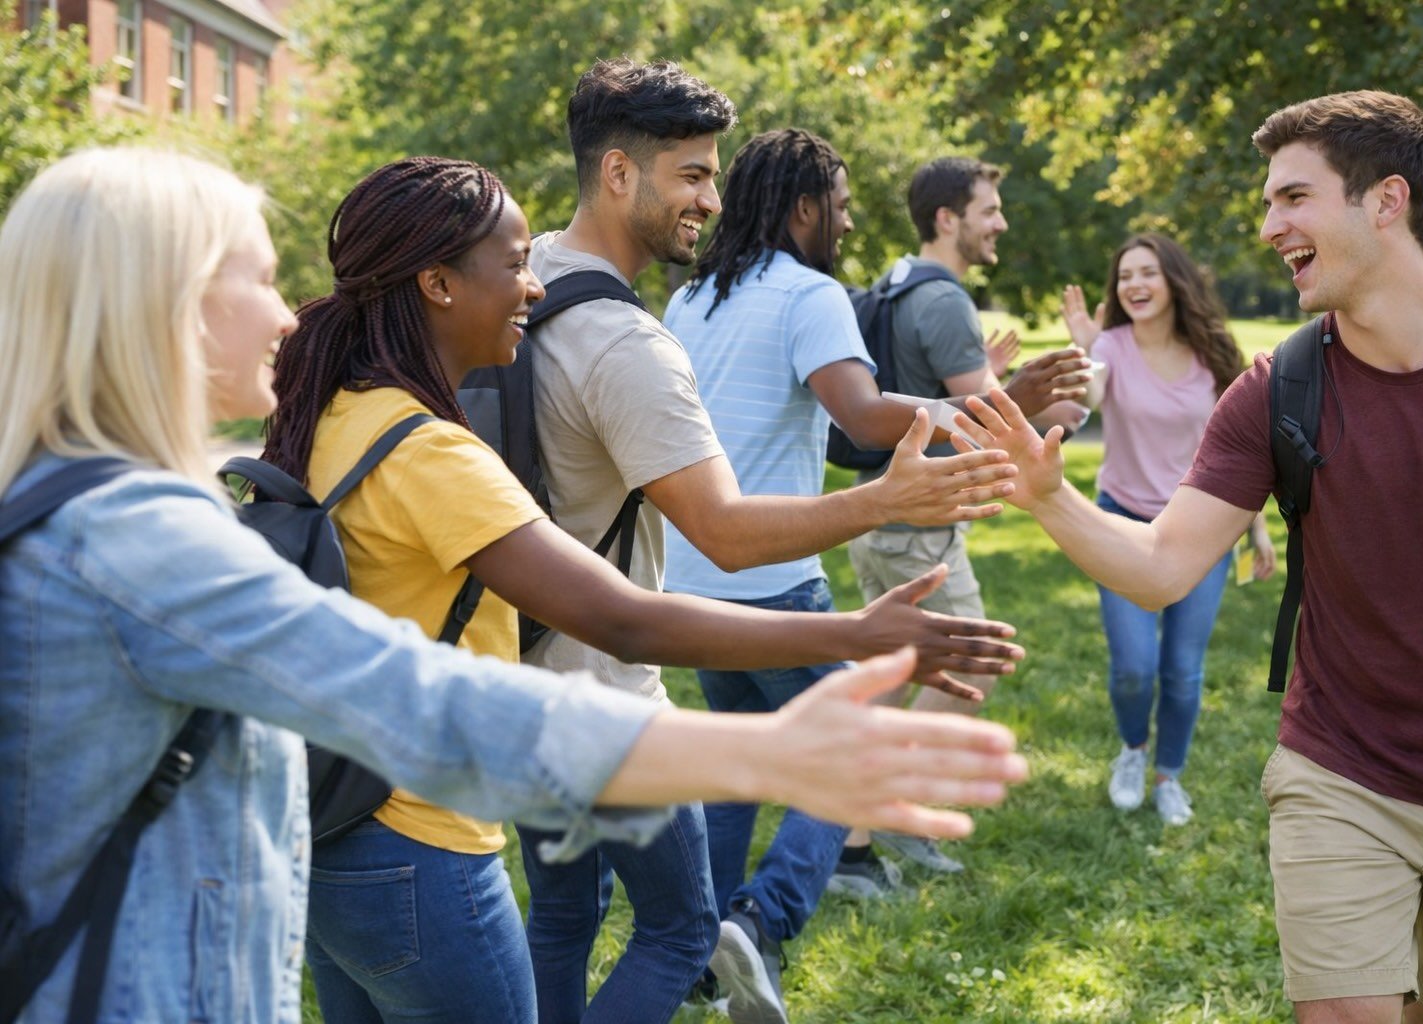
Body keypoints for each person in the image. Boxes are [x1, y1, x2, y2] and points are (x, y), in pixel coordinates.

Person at [0, 146, 1033, 1024]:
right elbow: (450, 685)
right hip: (414, 845)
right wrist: (775, 735)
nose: (284, 312)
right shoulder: (155, 533)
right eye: (258, 279)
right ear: (164, 302)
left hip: (335, 841)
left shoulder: (292, 427)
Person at [958, 91, 1423, 1023]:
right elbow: (1162, 566)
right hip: (1341, 774)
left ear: (1387, 201)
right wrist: (1050, 497)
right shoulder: (1279, 388)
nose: (1269, 228)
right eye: (1269, 203)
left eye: (1294, 198)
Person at [521, 59, 1036, 1024]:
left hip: (570, 638)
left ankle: (721, 936)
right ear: (619, 173)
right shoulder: (672, 328)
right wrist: (905, 476)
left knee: (605, 882)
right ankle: (755, 925)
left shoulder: (556, 276)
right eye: (691, 175)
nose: (709, 200)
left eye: (716, 177)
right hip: (669, 635)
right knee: (813, 794)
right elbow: (795, 464)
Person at [662, 128, 1089, 1021]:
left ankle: (698, 949)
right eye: (842, 206)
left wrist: (978, 399)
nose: (850, 224)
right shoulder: (810, 292)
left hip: (694, 576)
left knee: (738, 761)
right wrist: (989, 408)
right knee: (853, 756)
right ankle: (761, 922)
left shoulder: (692, 296)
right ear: (803, 208)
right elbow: (860, 417)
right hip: (775, 580)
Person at [843, 156, 1087, 878]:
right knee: (979, 662)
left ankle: (845, 840)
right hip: (917, 530)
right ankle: (885, 809)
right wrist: (1068, 403)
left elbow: (948, 400)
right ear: (947, 219)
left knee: (889, 676)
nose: (1001, 223)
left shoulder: (895, 286)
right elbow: (989, 422)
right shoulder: (944, 300)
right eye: (989, 210)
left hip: (881, 517)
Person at [1056, 233, 1274, 826]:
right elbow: (1090, 395)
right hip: (1123, 520)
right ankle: (1133, 749)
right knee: (1134, 667)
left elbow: (1237, 452)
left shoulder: (1212, 353)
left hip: (1199, 527)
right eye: (1125, 275)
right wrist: (1083, 348)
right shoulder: (1110, 346)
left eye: (1147, 272)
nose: (1135, 284)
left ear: (1173, 280)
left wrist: (1255, 529)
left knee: (1181, 670)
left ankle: (1168, 775)